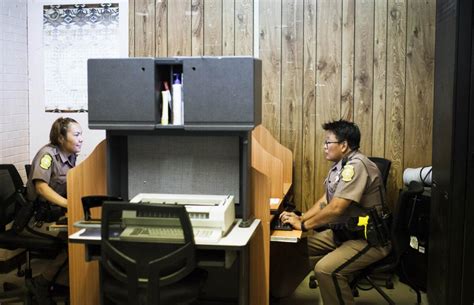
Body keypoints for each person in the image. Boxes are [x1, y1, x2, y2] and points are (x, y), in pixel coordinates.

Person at [280, 119, 390, 305]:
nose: (324, 147)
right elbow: (326, 200)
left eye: (328, 142)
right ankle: (276, 295)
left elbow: (337, 207)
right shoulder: (341, 166)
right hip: (346, 233)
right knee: (295, 247)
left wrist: (305, 225)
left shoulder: (356, 167)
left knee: (326, 269)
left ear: (344, 145)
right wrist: (301, 217)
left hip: (369, 239)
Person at [25, 117, 83, 305]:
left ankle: (61, 286)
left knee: (82, 234)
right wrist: (69, 205)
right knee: (74, 239)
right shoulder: (47, 155)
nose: (81, 139)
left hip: (55, 214)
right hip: (37, 219)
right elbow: (41, 188)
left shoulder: (71, 155)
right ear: (60, 138)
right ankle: (42, 283)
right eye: (76, 135)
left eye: (81, 134)